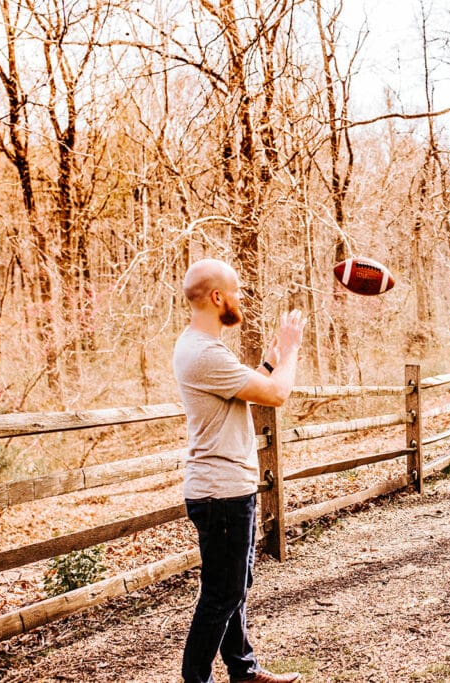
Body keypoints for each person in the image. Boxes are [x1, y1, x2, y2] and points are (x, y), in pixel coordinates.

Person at [173, 258, 305, 683]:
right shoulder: (203, 352)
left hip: (230, 488)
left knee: (235, 587)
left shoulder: (202, 347)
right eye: (237, 289)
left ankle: (243, 670)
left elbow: (244, 391)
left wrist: (267, 364)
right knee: (222, 594)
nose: (242, 296)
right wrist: (292, 348)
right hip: (220, 493)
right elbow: (277, 395)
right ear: (217, 297)